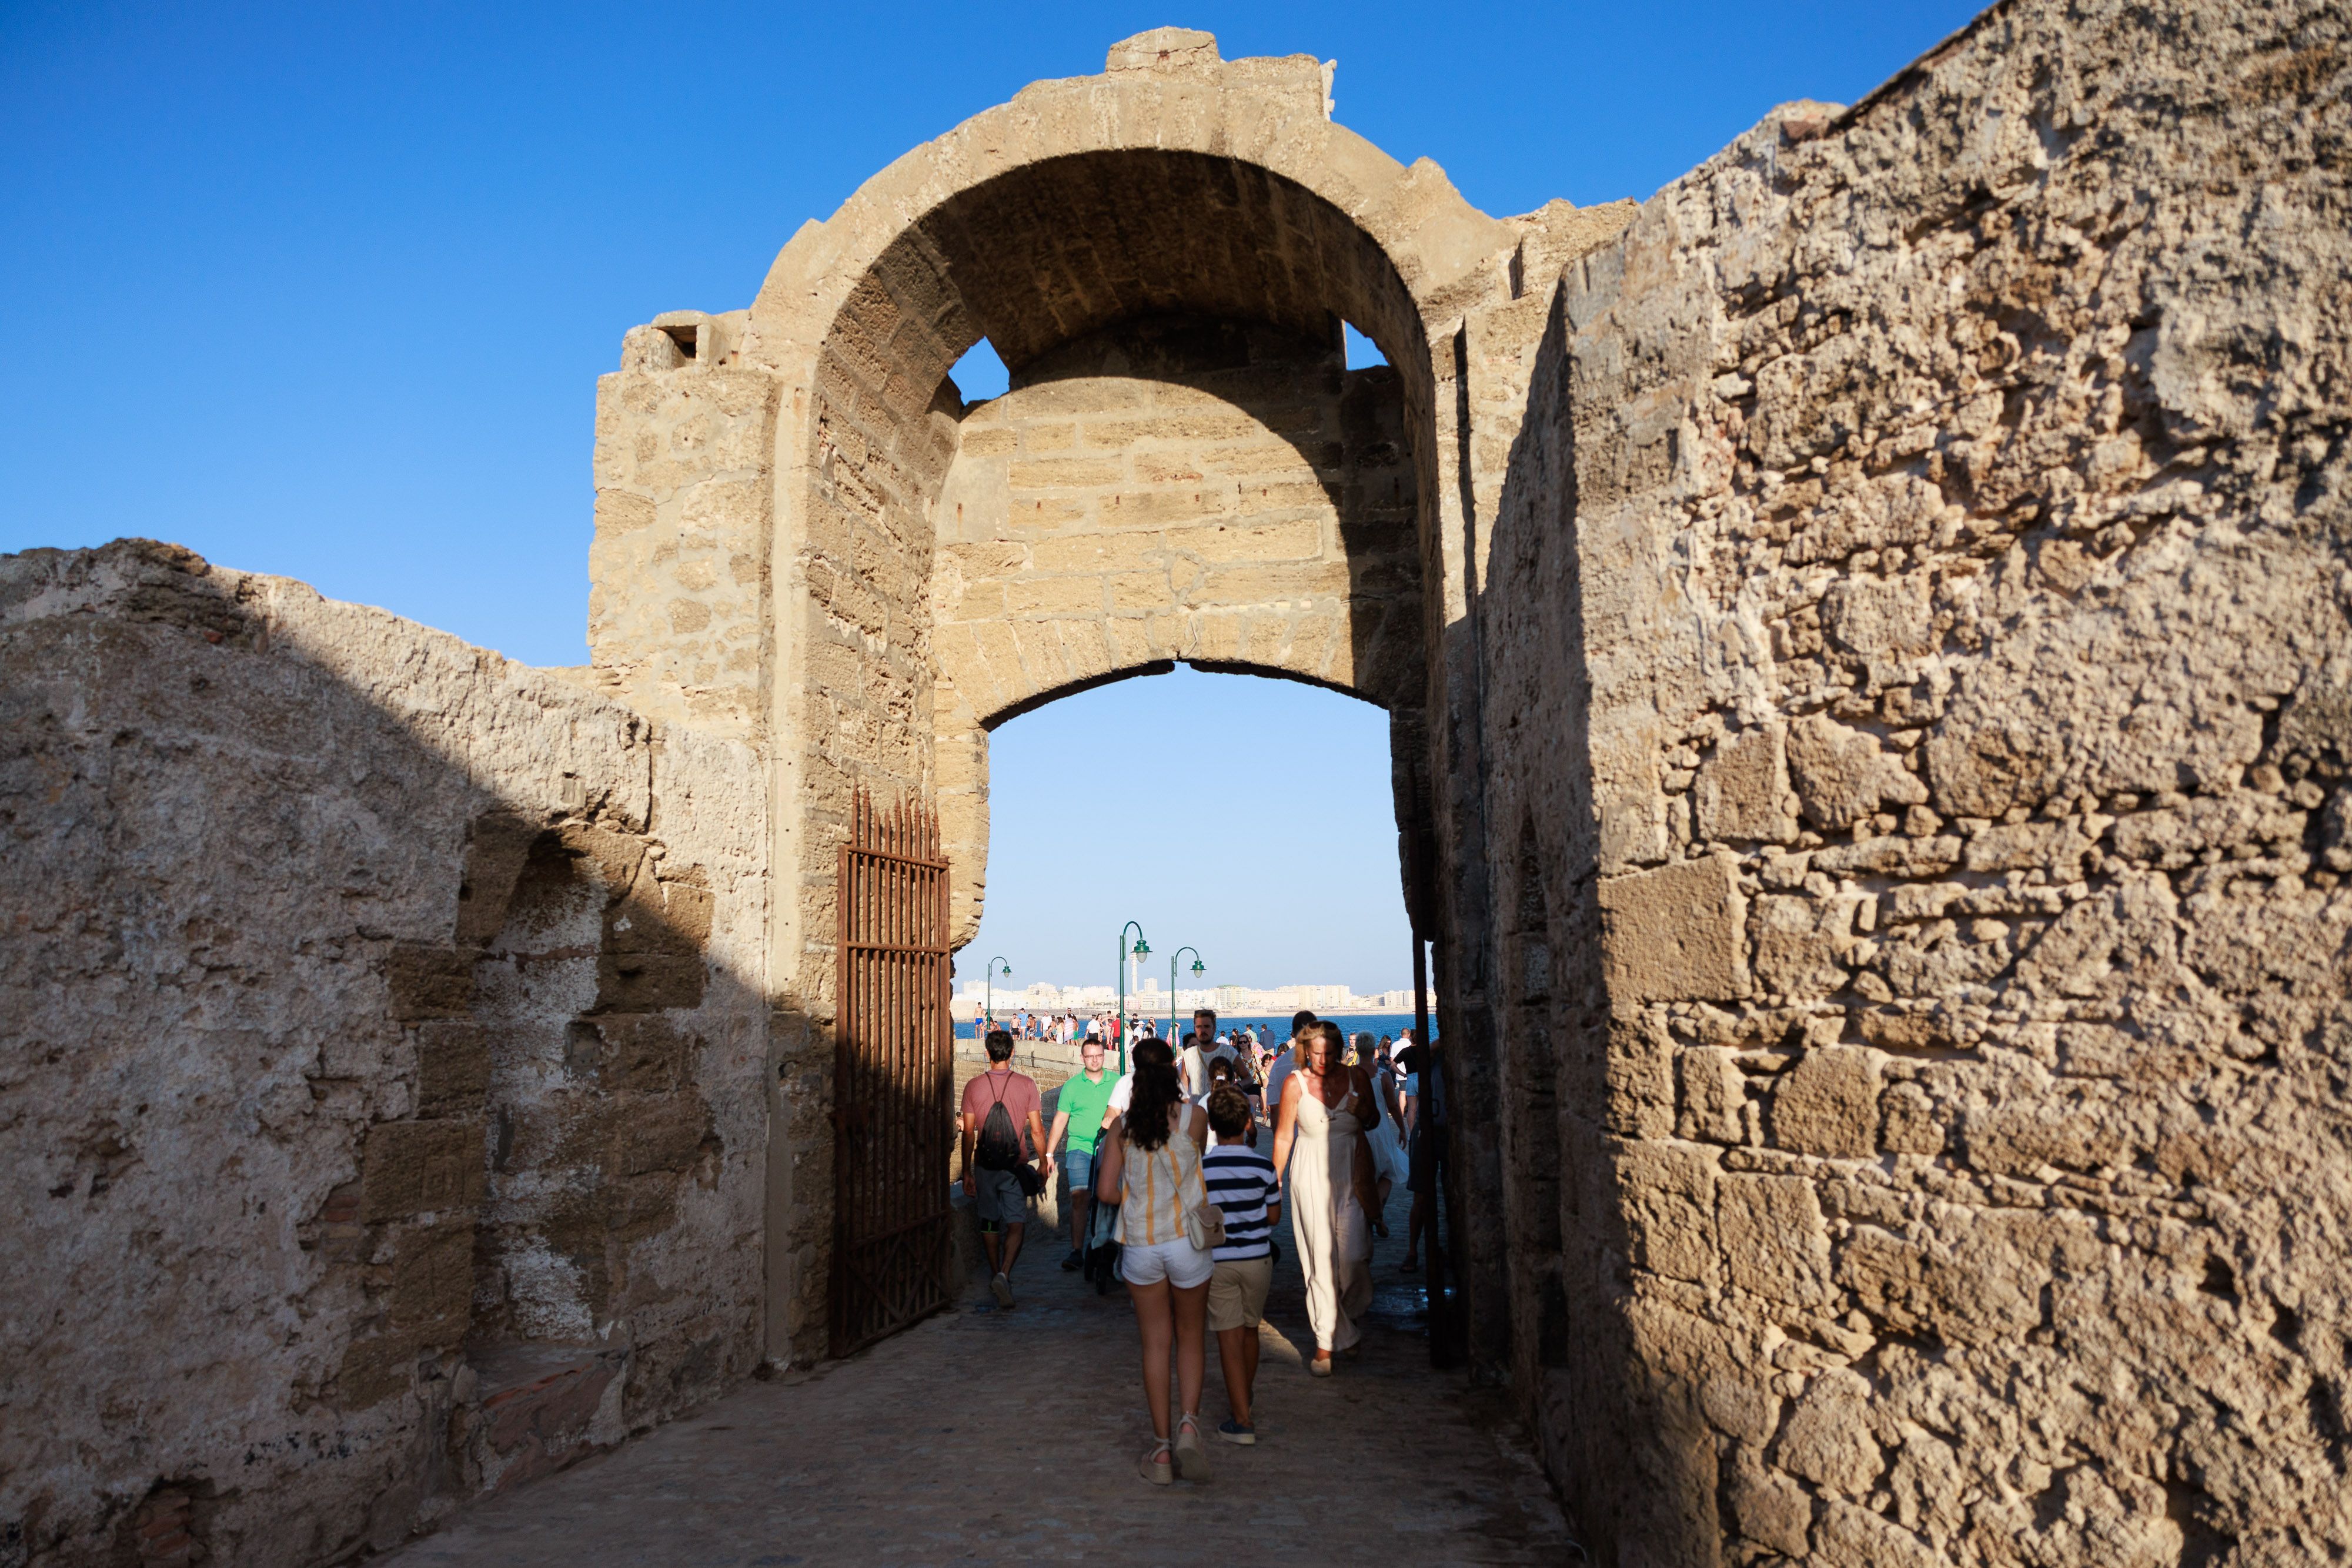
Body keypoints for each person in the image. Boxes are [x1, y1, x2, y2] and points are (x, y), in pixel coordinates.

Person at [1094, 1039, 1215, 1485]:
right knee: (1191, 1336)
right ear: (1172, 1071)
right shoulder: (1194, 1117)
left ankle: (1162, 1453)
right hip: (1187, 1241)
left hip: (1142, 1246)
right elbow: (1195, 1159)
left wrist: (1138, 1196)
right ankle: (1188, 1425)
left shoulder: (1121, 1128)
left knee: (1155, 1345)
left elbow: (1106, 1193)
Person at [1272, 1021, 1377, 1373]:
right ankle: (1325, 1343)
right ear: (1305, 1051)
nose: (1322, 1059)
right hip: (1308, 1173)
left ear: (1340, 1051)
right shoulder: (1293, 1084)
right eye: (1316, 1053)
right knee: (1318, 1261)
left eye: (1329, 1053)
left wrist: (1359, 1108)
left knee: (1353, 1256)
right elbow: (1285, 1136)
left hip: (1350, 1171)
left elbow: (1374, 1120)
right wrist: (1275, 1179)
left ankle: (1343, 1323)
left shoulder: (1356, 1078)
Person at [1200, 1084, 1279, 1445]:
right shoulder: (1264, 1167)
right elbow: (1274, 1217)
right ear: (1248, 1122)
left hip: (1219, 1262)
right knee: (1250, 1330)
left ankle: (1242, 1419)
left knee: (1228, 1337)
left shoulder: (1201, 1169)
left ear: (1212, 1126)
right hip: (1258, 1259)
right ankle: (1243, 1399)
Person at [958, 1028, 1049, 1309]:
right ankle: (1004, 1273)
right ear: (1012, 1053)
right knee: (1016, 1223)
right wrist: (1044, 1162)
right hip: (1014, 1166)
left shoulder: (973, 1086)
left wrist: (967, 1171)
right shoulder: (1027, 1085)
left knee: (988, 1220)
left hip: (985, 1167)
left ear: (987, 1054)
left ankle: (995, 1270)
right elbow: (1036, 1130)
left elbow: (969, 1133)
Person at [1044, 1035, 1119, 1271]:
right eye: (1090, 1056)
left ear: (1104, 1056)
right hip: (1079, 1147)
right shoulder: (1072, 1086)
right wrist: (1049, 1154)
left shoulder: (1117, 1082)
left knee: (1107, 1199)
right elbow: (1060, 1120)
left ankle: (1107, 1247)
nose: (1095, 1060)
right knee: (1079, 1198)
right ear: (1082, 1057)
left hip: (1110, 1149)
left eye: (1099, 1056)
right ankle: (1077, 1251)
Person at [1261, 1008, 1317, 1119]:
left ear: (1294, 1033)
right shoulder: (1328, 1059)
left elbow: (1275, 1109)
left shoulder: (1279, 1064)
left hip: (1293, 1128)